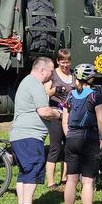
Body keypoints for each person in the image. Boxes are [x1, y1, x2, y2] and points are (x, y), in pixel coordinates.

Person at [9, 57, 62, 204]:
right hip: (29, 136)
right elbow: (44, 111)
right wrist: (58, 114)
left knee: (25, 171)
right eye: (52, 71)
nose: (53, 75)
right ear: (42, 70)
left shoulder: (27, 82)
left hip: (19, 135)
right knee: (33, 168)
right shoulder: (35, 85)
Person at [62, 63, 102, 204]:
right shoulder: (95, 96)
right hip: (88, 138)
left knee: (71, 179)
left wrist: (68, 134)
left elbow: (65, 118)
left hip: (71, 138)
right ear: (91, 78)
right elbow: (101, 120)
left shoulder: (70, 95)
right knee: (87, 181)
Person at [43, 48, 75, 190]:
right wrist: (56, 90)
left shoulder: (73, 75)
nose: (65, 65)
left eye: (67, 62)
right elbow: (44, 93)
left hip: (70, 115)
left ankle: (65, 179)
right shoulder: (53, 75)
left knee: (68, 146)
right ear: (57, 61)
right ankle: (50, 182)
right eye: (62, 62)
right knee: (55, 147)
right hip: (56, 114)